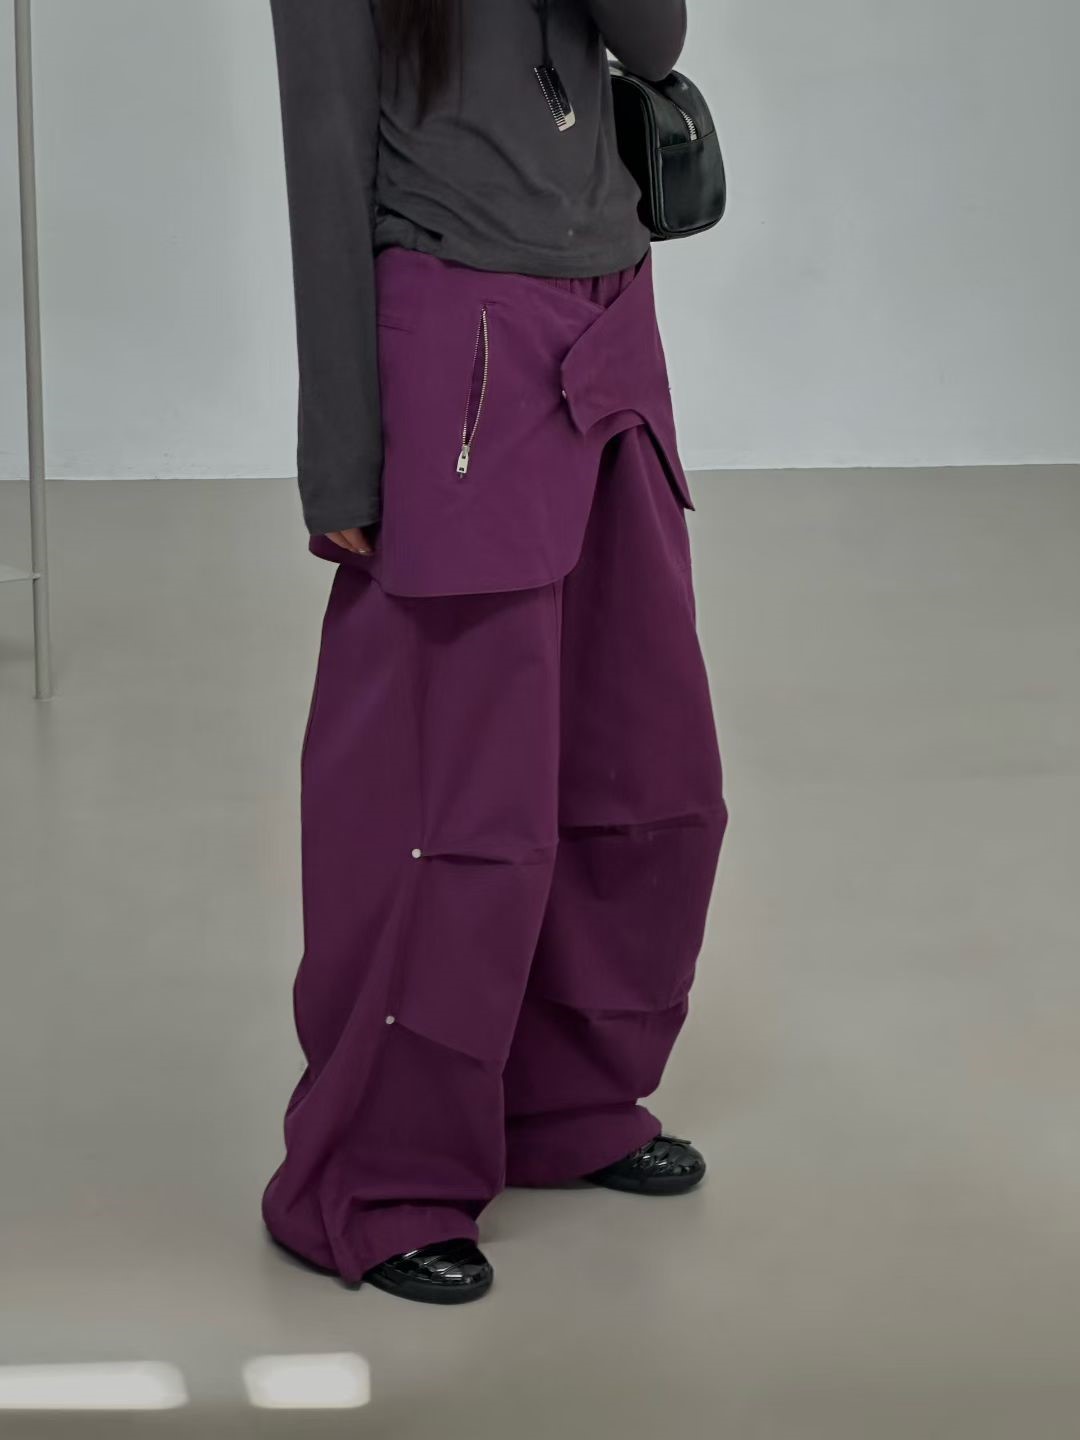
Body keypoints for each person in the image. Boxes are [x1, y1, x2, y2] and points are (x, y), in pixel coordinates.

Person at [263, 0, 727, 1305]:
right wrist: (340, 458)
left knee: (639, 764)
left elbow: (654, 42)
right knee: (447, 808)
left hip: (611, 313)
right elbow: (323, 150)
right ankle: (379, 1178)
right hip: (456, 338)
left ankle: (564, 1104)